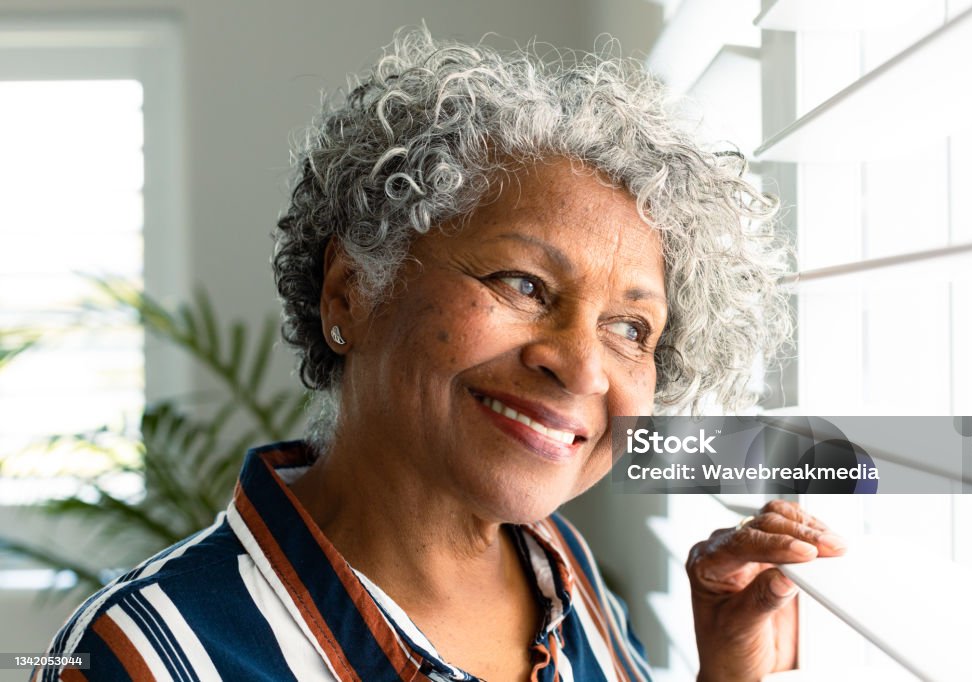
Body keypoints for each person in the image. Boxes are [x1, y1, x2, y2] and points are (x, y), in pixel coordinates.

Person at [38, 28, 845, 682]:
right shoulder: (137, 660)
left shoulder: (562, 573)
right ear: (350, 291)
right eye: (523, 285)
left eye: (632, 329)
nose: (582, 366)